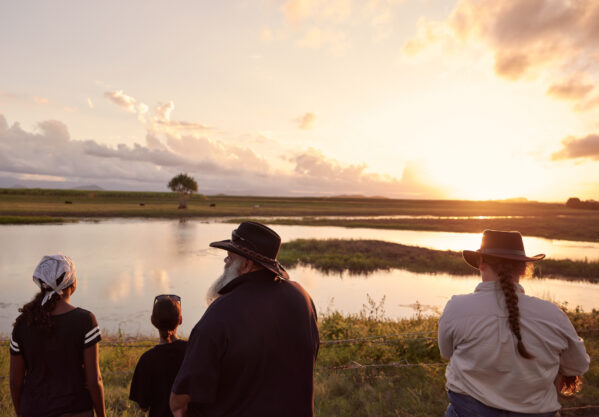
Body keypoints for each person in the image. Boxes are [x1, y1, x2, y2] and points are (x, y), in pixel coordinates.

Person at [170, 221, 320, 417]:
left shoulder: (220, 314)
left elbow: (179, 402)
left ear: (248, 265)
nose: (225, 263)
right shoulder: (302, 297)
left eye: (230, 258)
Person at [439, 230, 590, 417]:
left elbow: (446, 353)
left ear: (481, 263)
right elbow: (578, 366)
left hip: (469, 411)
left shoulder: (457, 307)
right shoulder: (553, 315)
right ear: (523, 269)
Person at [10, 254, 105, 417]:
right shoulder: (85, 321)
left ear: (41, 284)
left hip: (32, 410)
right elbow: (93, 382)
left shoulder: (22, 323)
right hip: (75, 411)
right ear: (73, 284)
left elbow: (15, 383)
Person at [130, 294, 188, 417]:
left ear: (153, 321)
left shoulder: (147, 360)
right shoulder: (192, 351)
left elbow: (143, 406)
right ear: (180, 320)